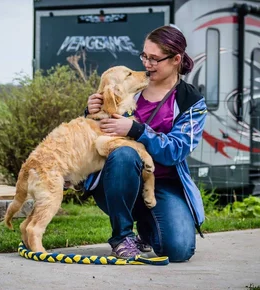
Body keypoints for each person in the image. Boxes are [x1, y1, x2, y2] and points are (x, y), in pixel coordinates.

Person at [84, 25, 207, 262]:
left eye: (154, 59)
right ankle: (121, 238)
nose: (147, 64)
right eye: (144, 56)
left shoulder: (192, 101)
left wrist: (137, 130)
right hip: (118, 178)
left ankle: (148, 229)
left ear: (176, 59)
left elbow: (175, 151)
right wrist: (90, 111)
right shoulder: (132, 85)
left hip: (163, 184)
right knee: (124, 154)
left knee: (179, 250)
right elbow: (96, 132)